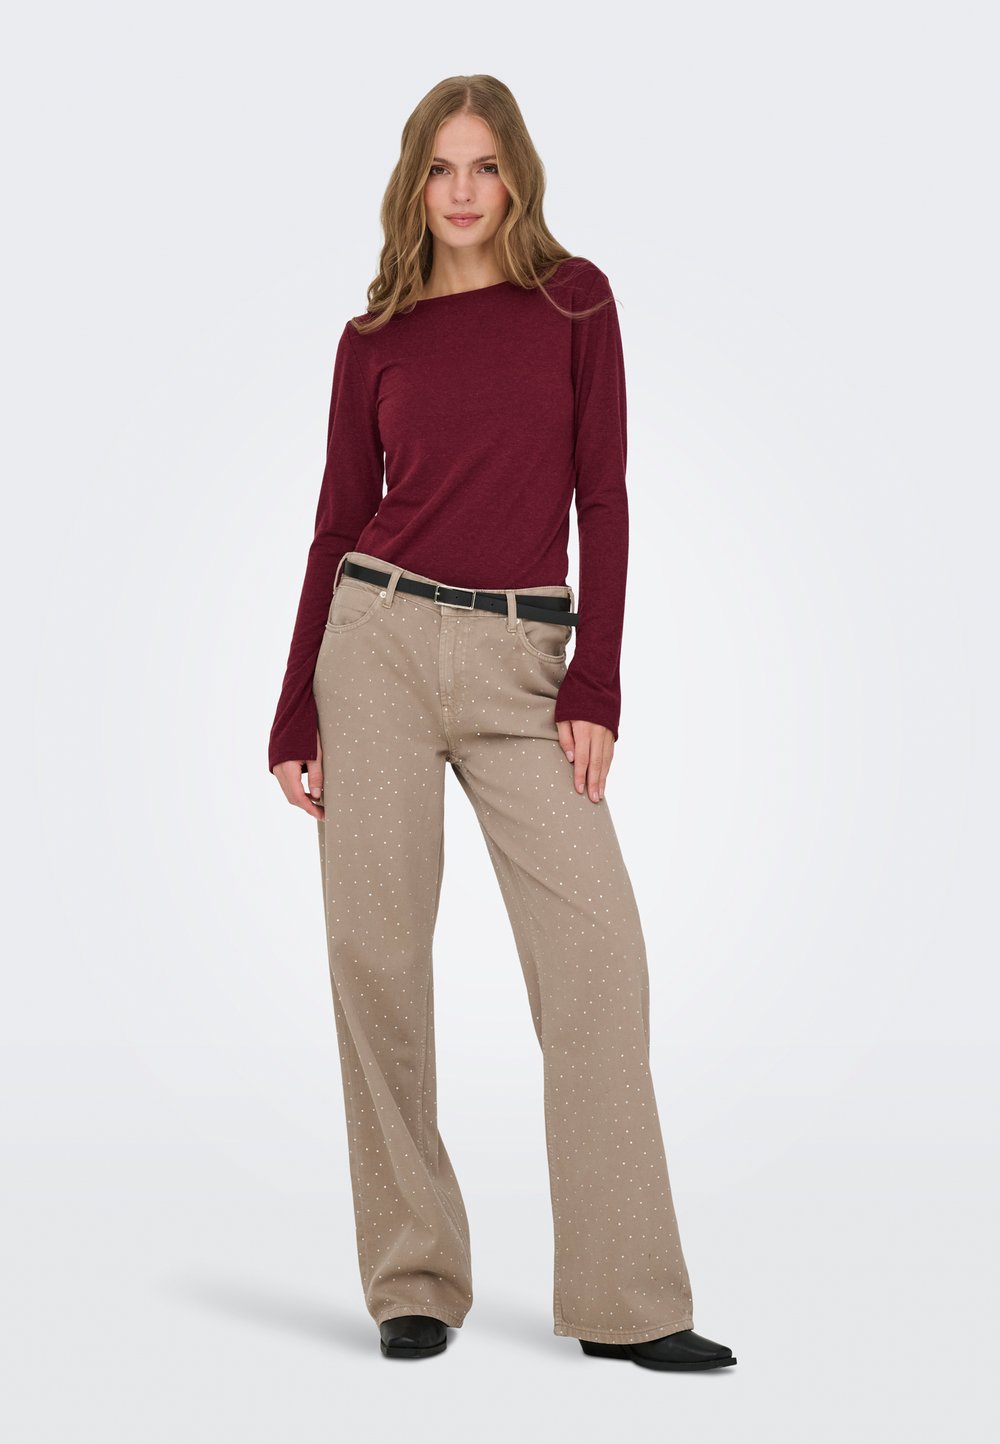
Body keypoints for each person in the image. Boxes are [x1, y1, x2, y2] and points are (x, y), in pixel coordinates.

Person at [268, 74, 736, 1371]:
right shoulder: (375, 338)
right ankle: (412, 1279)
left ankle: (629, 1302)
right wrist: (294, 703)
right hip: (374, 646)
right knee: (377, 961)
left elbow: (606, 494)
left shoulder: (575, 300)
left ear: (517, 174)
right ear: (412, 183)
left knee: (598, 960)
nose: (463, 191)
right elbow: (334, 521)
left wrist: (598, 684)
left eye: (483, 165)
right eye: (440, 168)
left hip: (525, 660)